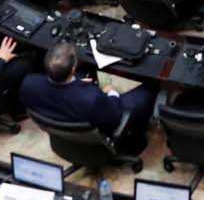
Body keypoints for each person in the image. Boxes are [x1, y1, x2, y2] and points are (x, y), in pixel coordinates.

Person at [20, 39, 155, 153]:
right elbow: (115, 116)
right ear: (73, 69)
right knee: (145, 94)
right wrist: (111, 92)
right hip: (95, 124)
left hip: (62, 123)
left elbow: (58, 95)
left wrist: (76, 84)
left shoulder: (28, 83)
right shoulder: (92, 98)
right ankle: (136, 143)